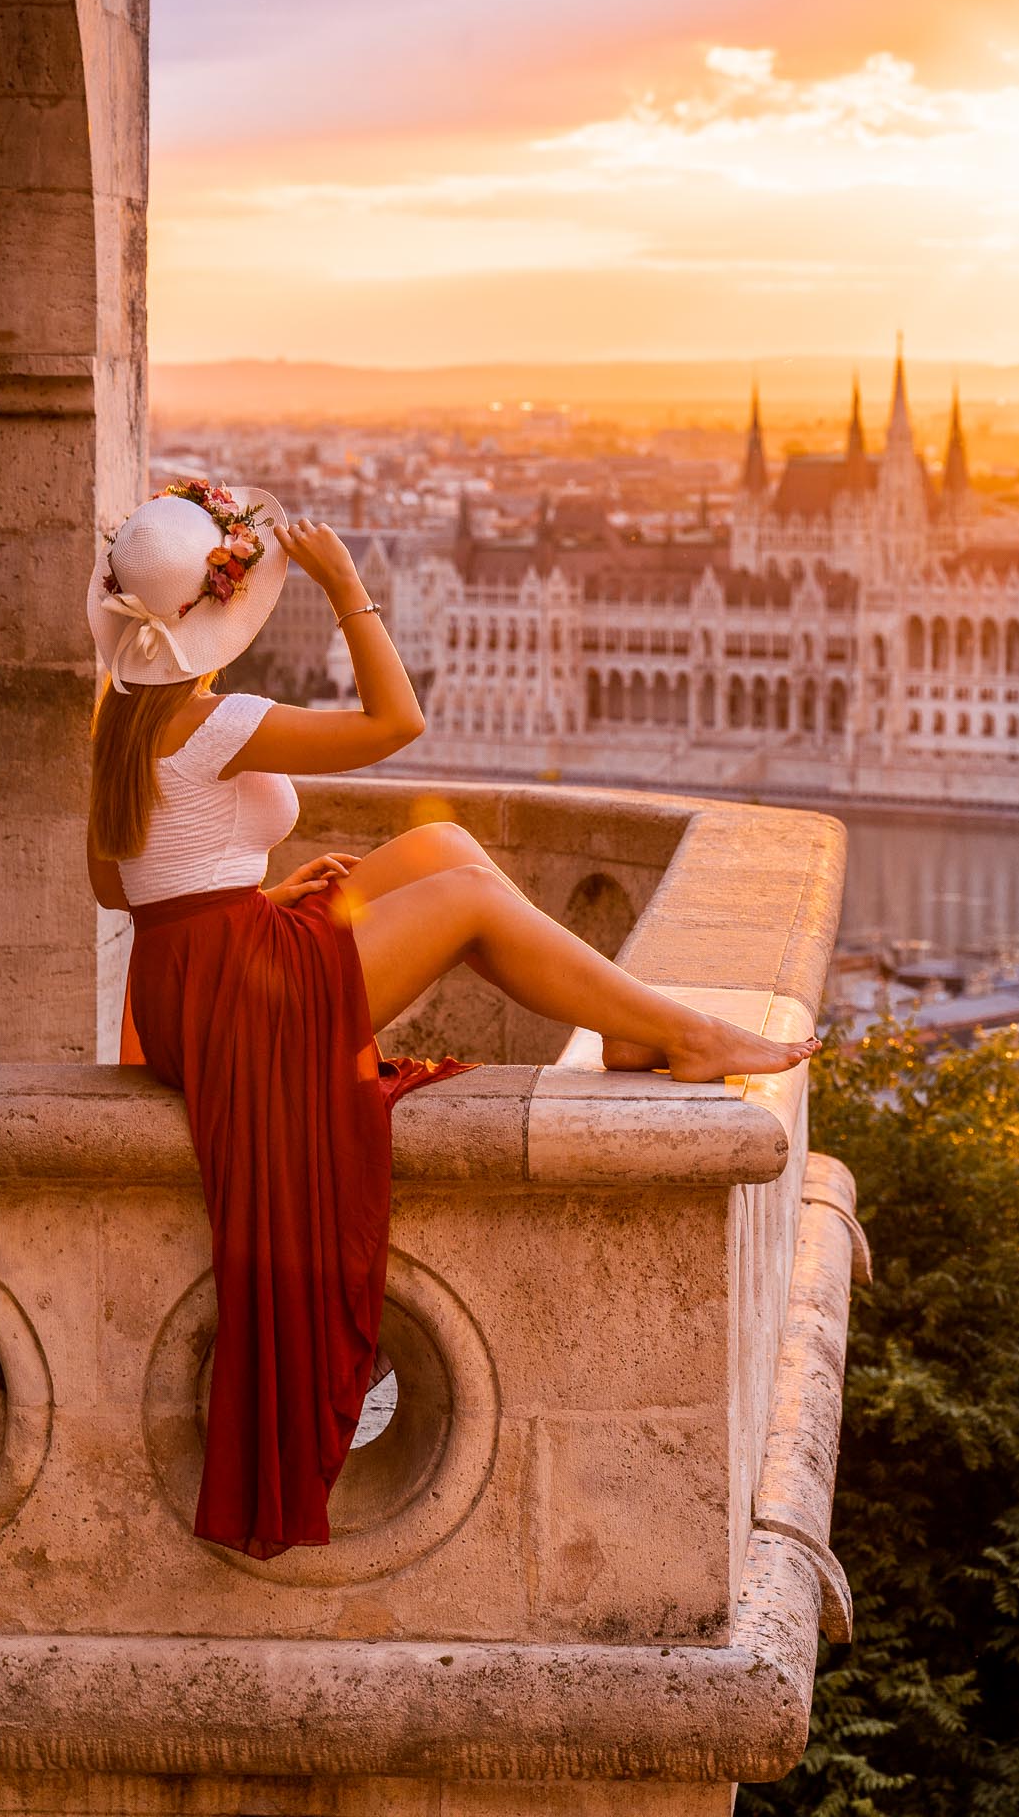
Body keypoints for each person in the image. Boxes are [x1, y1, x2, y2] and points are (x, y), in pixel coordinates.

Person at [86, 479, 814, 1560]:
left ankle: (627, 1024)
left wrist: (265, 897)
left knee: (445, 852)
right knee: (470, 898)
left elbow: (121, 891)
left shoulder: (120, 722)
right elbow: (399, 723)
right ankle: (679, 1031)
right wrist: (344, 589)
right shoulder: (220, 718)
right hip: (245, 1003)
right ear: (212, 614)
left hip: (193, 976)